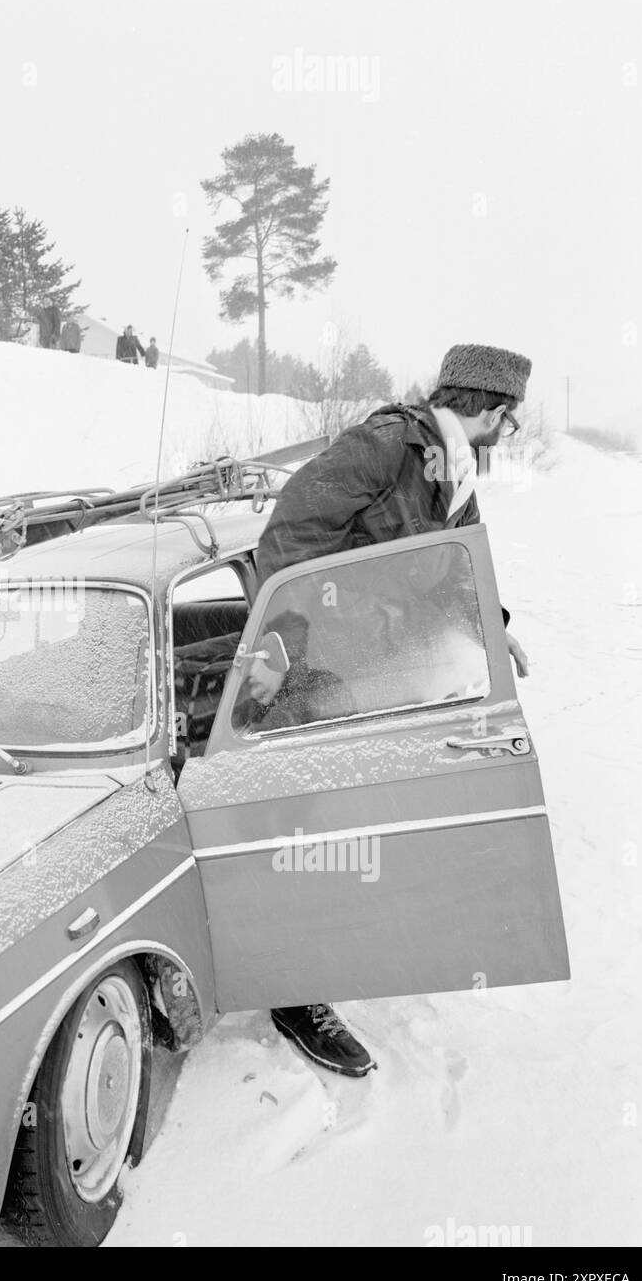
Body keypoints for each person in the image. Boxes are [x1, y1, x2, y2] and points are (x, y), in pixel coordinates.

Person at [250, 342, 532, 1079]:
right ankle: (292, 989)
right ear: (489, 406)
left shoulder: (455, 469)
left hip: (384, 671)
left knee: (372, 816)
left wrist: (492, 628)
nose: (511, 431)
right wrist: (288, 654)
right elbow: (287, 538)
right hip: (322, 673)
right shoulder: (383, 446)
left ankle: (353, 939)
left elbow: (457, 562)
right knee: (311, 829)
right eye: (511, 416)